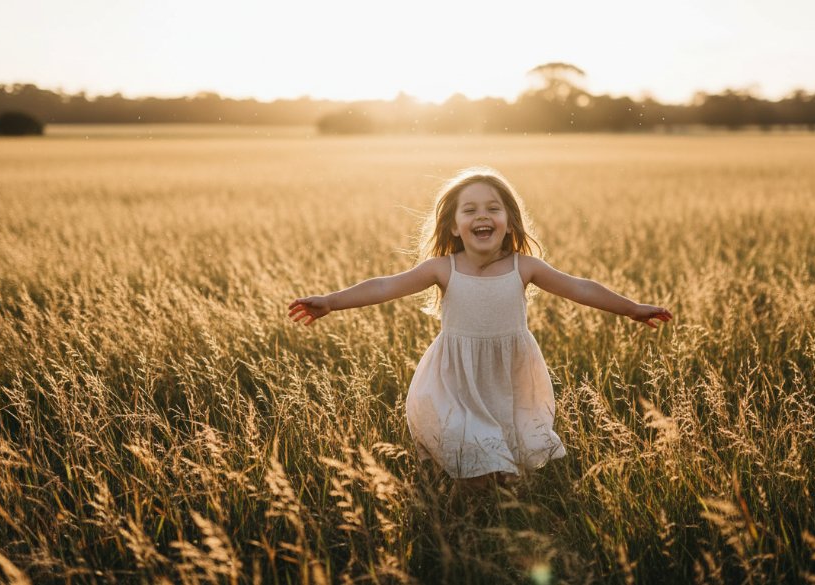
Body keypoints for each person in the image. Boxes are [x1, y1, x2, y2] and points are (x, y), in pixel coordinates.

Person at [288, 167, 672, 494]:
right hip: (457, 378)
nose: (481, 216)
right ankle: (454, 519)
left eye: (493, 208)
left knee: (506, 467)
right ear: (454, 226)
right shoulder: (443, 268)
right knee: (473, 461)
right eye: (469, 210)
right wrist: (332, 301)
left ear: (509, 222)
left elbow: (580, 287)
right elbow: (385, 285)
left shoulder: (525, 267)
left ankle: (494, 518)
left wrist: (632, 309)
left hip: (509, 376)